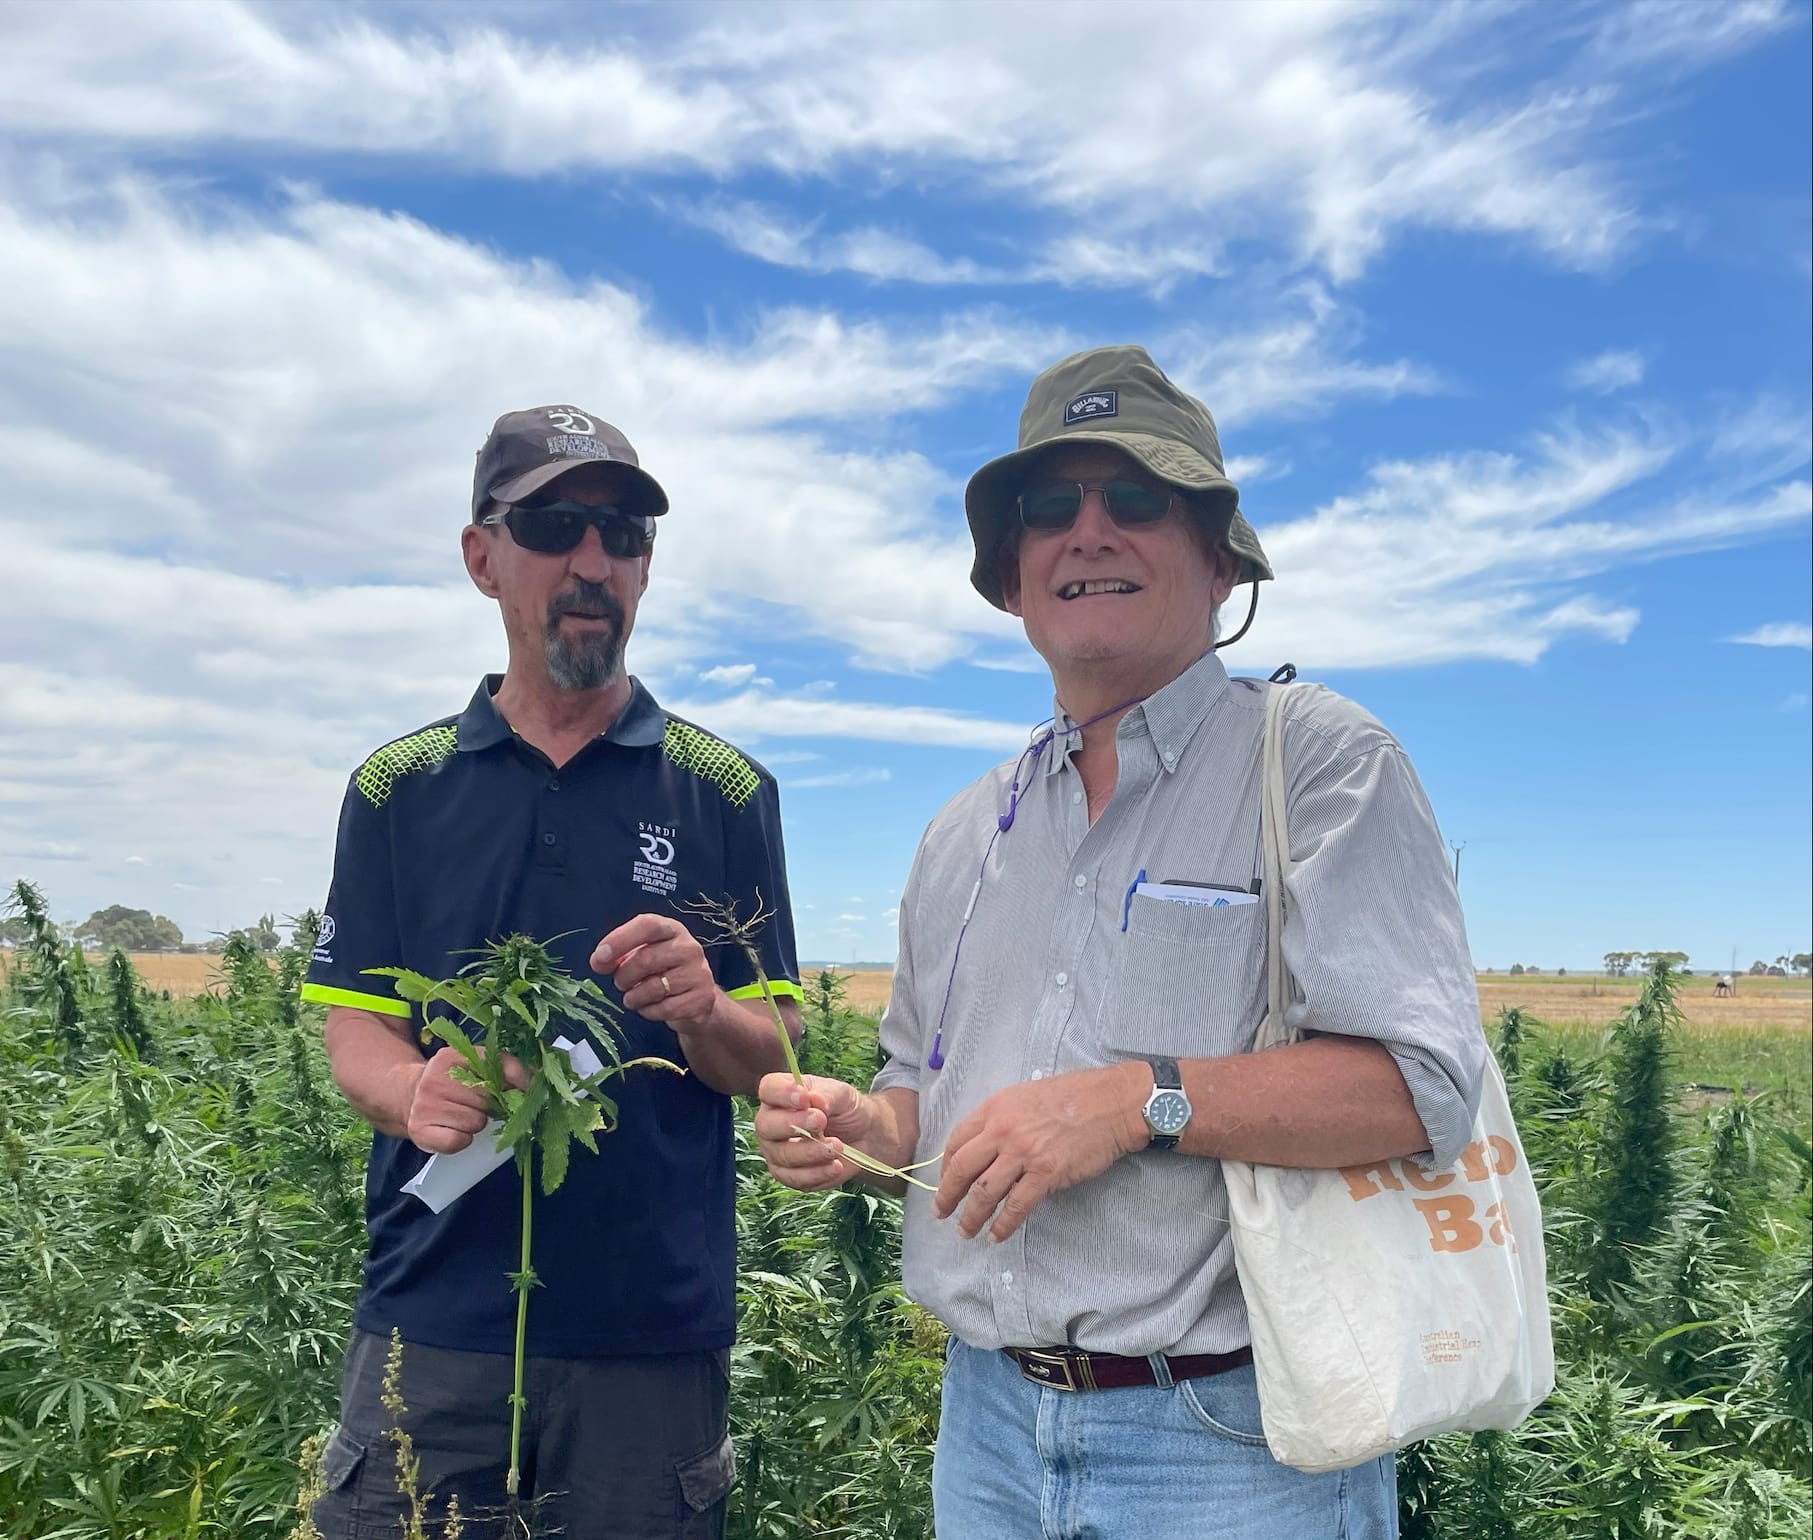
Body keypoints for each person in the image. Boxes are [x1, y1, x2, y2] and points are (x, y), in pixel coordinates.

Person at [754, 346, 1485, 1539]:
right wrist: (861, 1128)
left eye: (1136, 498)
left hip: (1235, 1447)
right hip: (985, 1426)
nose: (1088, 530)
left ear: (1216, 560)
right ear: (1013, 577)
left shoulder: (1317, 765)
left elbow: (1423, 1087)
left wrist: (1132, 1100)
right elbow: (915, 1094)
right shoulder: (962, 833)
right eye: (1051, 507)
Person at [304, 404, 803, 1539]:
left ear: (645, 568)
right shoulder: (397, 787)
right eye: (554, 524)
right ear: (483, 557)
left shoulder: (725, 790)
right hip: (431, 1324)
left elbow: (776, 1054)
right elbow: (354, 1030)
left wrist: (706, 1007)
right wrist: (413, 1091)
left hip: (649, 1339)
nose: (592, 561)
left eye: (621, 534)